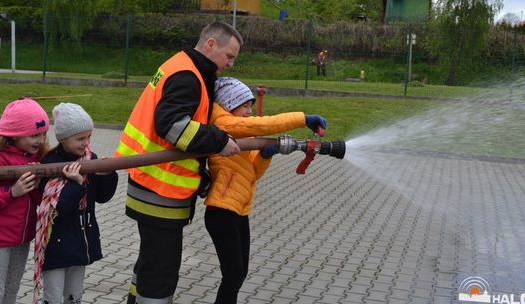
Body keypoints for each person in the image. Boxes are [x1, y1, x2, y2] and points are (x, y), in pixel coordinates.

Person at [114, 21, 244, 304]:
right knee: (161, 273)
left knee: (149, 265)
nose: (231, 64)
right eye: (229, 56)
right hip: (161, 191)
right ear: (211, 44)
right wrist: (218, 140)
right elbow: (172, 125)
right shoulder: (187, 75)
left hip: (150, 184)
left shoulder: (180, 65)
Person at [205, 77, 327, 304]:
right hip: (221, 212)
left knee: (239, 274)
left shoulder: (238, 131)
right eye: (245, 106)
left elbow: (252, 174)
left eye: (251, 106)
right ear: (230, 104)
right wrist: (303, 119)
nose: (249, 112)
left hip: (239, 212)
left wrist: (264, 156)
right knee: (232, 276)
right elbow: (262, 125)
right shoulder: (224, 125)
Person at [34, 103, 118, 304]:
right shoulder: (50, 165)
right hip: (56, 245)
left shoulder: (91, 159)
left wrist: (107, 174)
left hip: (81, 241)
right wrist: (77, 184)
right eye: (80, 138)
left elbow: (103, 197)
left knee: (74, 296)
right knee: (53, 298)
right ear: (63, 139)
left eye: (89, 136)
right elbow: (59, 207)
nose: (86, 142)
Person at [0, 98, 49, 304]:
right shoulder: (2, 159)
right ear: (15, 135)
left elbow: (36, 200)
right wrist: (12, 192)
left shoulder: (34, 158)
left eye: (44, 133)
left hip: (21, 238)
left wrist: (36, 187)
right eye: (34, 135)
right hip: (1, 240)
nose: (41, 139)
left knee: (12, 287)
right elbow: (13, 195)